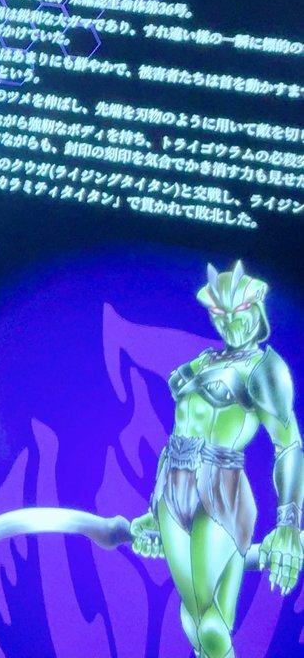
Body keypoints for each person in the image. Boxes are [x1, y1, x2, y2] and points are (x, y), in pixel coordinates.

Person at [130, 261, 303, 658]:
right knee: (195, 619)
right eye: (220, 316)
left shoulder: (264, 368)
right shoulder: (203, 361)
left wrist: (289, 525)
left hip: (222, 489)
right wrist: (153, 512)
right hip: (173, 489)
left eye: (238, 314)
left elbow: (289, 445)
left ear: (255, 311)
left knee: (206, 622)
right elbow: (177, 436)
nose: (230, 325)